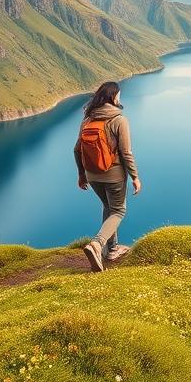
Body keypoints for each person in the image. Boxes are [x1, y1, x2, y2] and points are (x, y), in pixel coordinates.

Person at [74, 81, 142, 272]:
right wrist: (135, 177)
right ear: (113, 97)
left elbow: (77, 149)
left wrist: (81, 175)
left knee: (108, 207)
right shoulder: (119, 120)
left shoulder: (87, 120)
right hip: (113, 175)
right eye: (118, 95)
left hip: (92, 176)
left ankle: (112, 249)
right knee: (119, 211)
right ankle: (98, 244)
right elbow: (126, 152)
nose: (120, 98)